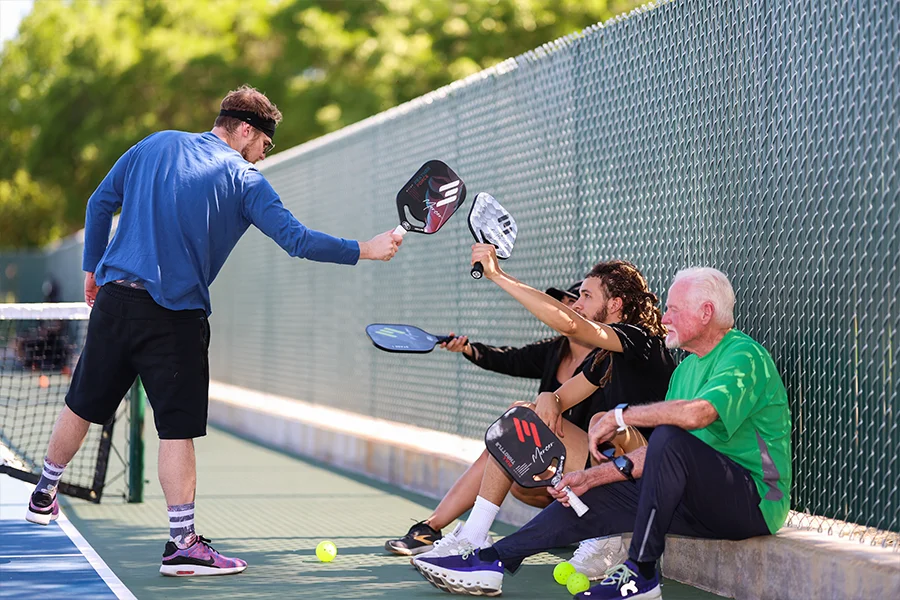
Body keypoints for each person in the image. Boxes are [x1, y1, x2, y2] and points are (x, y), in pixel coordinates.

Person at [25, 85, 403, 577]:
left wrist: (93, 269)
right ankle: (182, 544)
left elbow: (99, 202)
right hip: (174, 317)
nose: (263, 156)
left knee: (81, 403)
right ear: (247, 131)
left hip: (116, 299)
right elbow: (298, 241)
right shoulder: (245, 180)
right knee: (176, 429)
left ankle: (43, 492)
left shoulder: (153, 144)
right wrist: (366, 249)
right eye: (264, 145)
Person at [414, 268, 792, 599]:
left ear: (706, 312)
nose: (665, 316)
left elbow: (697, 416)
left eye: (674, 309)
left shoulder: (744, 356)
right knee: (593, 493)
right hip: (697, 500)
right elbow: (660, 456)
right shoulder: (685, 371)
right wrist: (590, 477)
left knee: (670, 438)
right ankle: (490, 559)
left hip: (754, 503)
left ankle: (641, 576)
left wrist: (621, 416)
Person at [409, 246, 674, 578]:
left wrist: (497, 274)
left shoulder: (641, 340)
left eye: (587, 297)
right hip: (612, 475)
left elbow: (574, 326)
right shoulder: (604, 358)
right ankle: (474, 537)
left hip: (653, 473)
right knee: (520, 418)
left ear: (615, 304)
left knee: (603, 423)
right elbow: (560, 398)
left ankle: (608, 540)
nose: (578, 304)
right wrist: (549, 398)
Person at [385, 279, 603, 556]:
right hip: (555, 472)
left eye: (574, 302)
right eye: (561, 304)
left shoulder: (606, 360)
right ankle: (432, 528)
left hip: (591, 470)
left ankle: (454, 531)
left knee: (513, 431)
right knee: (504, 447)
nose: (564, 309)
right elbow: (508, 359)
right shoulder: (554, 350)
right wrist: (467, 348)